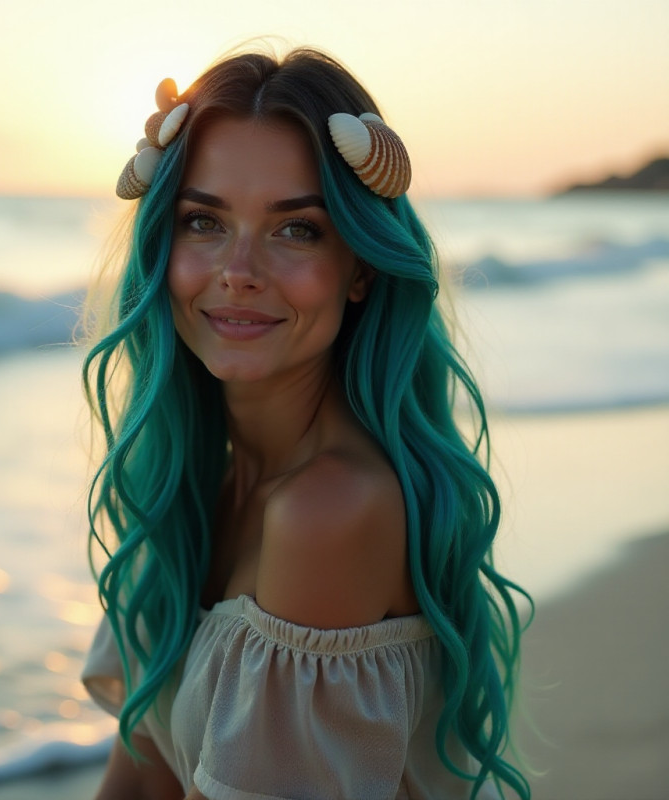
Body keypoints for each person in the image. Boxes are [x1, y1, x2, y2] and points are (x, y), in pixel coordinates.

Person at [81, 45, 532, 800]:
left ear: (360, 268)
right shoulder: (201, 485)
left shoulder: (329, 512)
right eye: (203, 221)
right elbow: (142, 776)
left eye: (297, 230)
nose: (240, 269)